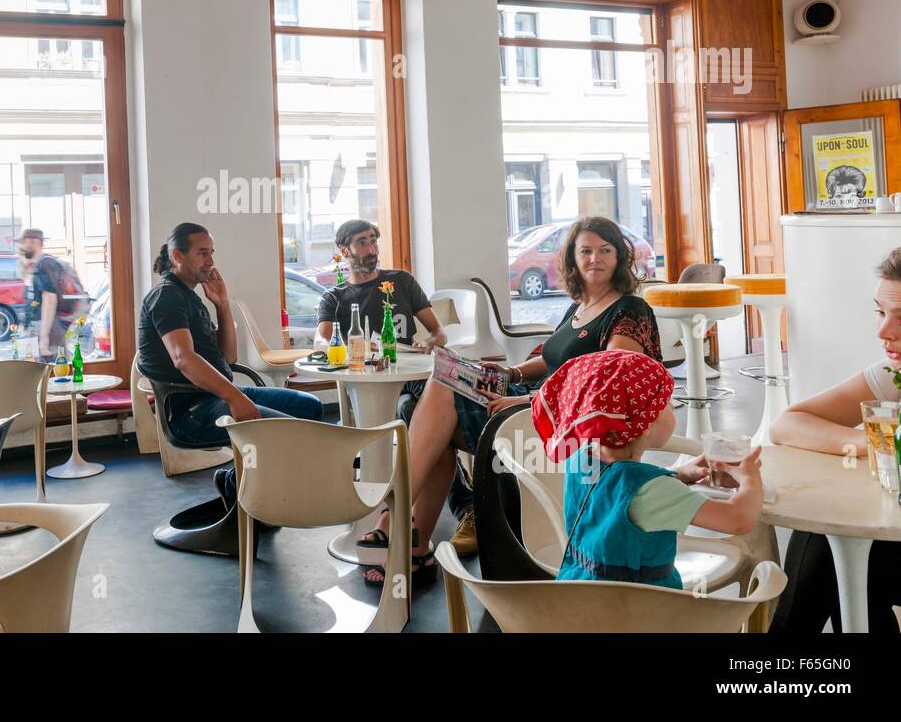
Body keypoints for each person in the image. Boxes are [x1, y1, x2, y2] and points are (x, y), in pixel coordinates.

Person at [357, 215, 662, 586]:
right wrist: (510, 374)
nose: (594, 258)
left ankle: (392, 521)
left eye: (604, 250)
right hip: (536, 401)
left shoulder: (628, 310)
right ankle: (416, 547)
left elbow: (607, 386)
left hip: (556, 422)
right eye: (585, 250)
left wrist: (526, 400)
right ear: (572, 257)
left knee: (440, 392)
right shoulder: (580, 306)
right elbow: (554, 360)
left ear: (620, 257)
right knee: (429, 391)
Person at [312, 219, 482, 553]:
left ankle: (447, 510)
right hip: (368, 388)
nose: (372, 248)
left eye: (374, 240)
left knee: (410, 408)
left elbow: (439, 333)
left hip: (414, 382)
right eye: (362, 242)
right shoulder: (335, 297)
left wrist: (430, 342)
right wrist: (334, 346)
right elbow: (322, 338)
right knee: (406, 411)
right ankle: (424, 514)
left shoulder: (401, 282)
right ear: (344, 250)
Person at [537, 350, 762, 587]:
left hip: (581, 593)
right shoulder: (652, 491)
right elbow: (739, 519)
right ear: (644, 424)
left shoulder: (581, 458)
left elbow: (613, 494)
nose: (673, 408)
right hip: (641, 611)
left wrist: (679, 475)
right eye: (667, 404)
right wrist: (750, 478)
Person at [138, 222, 323, 505]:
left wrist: (221, 304)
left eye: (211, 252)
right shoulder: (167, 296)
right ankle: (252, 498)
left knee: (310, 407)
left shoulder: (189, 296)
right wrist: (234, 397)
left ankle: (235, 484)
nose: (211, 261)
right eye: (202, 253)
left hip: (217, 397)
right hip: (191, 412)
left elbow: (229, 357)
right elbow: (183, 359)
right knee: (290, 433)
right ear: (177, 256)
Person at [768, 247, 901, 633]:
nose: (882, 332)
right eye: (880, 312)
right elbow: (788, 424)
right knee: (836, 545)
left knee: (838, 555)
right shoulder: (892, 375)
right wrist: (876, 442)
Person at [16, 228, 88, 361]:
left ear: (35, 242)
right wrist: (25, 262)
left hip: (49, 330)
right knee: (38, 372)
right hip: (39, 329)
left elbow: (49, 300)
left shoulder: (45, 265)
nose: (21, 247)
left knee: (55, 372)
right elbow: (32, 296)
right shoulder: (35, 266)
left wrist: (44, 337)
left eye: (23, 242)